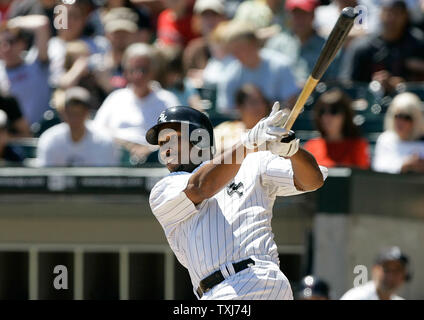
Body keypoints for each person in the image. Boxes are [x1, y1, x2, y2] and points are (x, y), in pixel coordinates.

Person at [146, 103, 327, 300]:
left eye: (174, 138)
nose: (166, 148)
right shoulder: (163, 189)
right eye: (162, 143)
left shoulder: (253, 162)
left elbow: (313, 181)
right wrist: (247, 144)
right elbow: (201, 186)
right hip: (217, 290)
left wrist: (292, 151)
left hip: (258, 278)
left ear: (199, 139)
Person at [93, 43, 179, 157]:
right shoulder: (115, 98)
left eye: (144, 70)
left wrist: (150, 149)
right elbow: (97, 130)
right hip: (117, 159)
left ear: (153, 71)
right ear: (125, 72)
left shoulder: (167, 100)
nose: (138, 75)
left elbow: (178, 134)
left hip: (155, 162)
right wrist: (126, 145)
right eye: (133, 70)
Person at [340, 0, 424, 93]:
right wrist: (374, 85)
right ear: (380, 14)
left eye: (397, 13)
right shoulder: (363, 47)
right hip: (369, 101)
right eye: (387, 12)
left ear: (405, 16)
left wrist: (403, 85)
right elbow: (348, 84)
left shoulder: (418, 43)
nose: (391, 18)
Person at [216, 21, 299, 115]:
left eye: (240, 48)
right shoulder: (230, 74)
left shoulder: (280, 66)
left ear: (254, 43)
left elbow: (291, 104)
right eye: (232, 50)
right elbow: (226, 111)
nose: (236, 54)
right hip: (243, 128)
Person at [36, 87, 120, 167]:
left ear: (87, 113)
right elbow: (45, 175)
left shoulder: (104, 140)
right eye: (70, 113)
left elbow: (107, 178)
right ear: (64, 113)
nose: (75, 118)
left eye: (79, 113)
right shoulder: (50, 139)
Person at [266, 0, 340, 85]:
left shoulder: (327, 47)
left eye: (303, 14)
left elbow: (334, 83)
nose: (299, 19)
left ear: (313, 15)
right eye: (295, 14)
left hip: (315, 96)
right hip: (281, 97)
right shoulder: (276, 43)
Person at [0, 14, 51, 126]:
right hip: (11, 138)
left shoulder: (36, 64)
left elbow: (42, 23)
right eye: (1, 43)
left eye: (11, 42)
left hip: (41, 132)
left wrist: (11, 23)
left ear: (23, 43)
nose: (6, 48)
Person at [304, 88, 371, 169]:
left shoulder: (358, 145)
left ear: (345, 115)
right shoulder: (311, 146)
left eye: (334, 111)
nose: (327, 117)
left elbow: (362, 177)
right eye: (322, 111)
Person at [372, 92, 424, 174]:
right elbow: (378, 168)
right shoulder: (385, 139)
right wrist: (403, 166)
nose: (400, 122)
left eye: (407, 118)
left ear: (416, 120)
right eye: (397, 116)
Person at [214, 84, 271, 153]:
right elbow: (212, 154)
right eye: (253, 102)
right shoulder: (224, 129)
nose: (259, 107)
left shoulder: (272, 132)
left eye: (262, 102)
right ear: (239, 107)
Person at [340, 246, 410, 300]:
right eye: (386, 270)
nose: (391, 276)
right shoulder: (356, 297)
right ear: (374, 270)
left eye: (396, 271)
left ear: (403, 275)